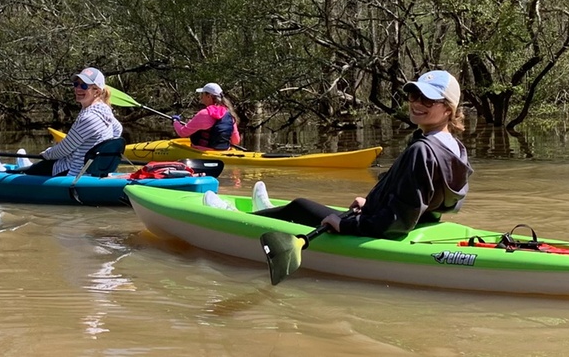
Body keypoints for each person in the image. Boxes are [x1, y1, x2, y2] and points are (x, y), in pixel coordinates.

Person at [202, 70, 473, 239]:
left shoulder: (421, 150)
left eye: (427, 100)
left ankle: (235, 218)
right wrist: (371, 202)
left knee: (299, 205)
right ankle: (266, 213)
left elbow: (398, 222)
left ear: (448, 109)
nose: (416, 104)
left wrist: (348, 227)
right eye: (414, 96)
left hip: (382, 230)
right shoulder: (454, 147)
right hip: (412, 224)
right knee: (301, 208)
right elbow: (429, 201)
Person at [0, 67, 123, 177]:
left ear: (97, 91)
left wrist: (46, 154)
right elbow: (117, 130)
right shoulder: (106, 110)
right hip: (88, 168)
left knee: (29, 172)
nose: (78, 89)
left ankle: (0, 172)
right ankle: (28, 166)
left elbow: (65, 148)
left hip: (74, 171)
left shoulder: (89, 117)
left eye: (84, 86)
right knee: (43, 166)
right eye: (76, 84)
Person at [172, 82, 241, 151]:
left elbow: (182, 133)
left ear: (209, 96)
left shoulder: (204, 114)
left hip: (202, 152)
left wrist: (175, 121)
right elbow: (236, 141)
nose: (201, 96)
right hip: (223, 152)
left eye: (202, 94)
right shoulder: (229, 115)